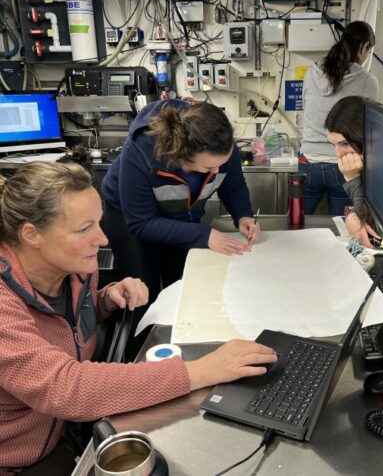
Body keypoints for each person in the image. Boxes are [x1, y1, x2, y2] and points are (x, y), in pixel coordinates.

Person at [0, 162, 276, 475]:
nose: (103, 239)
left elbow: (62, 328)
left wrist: (106, 299)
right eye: (83, 229)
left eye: (99, 223)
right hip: (18, 461)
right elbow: (66, 388)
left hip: (64, 435)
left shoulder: (74, 269)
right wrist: (203, 370)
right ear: (31, 234)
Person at [101, 99, 260, 347]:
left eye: (223, 162)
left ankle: (182, 342)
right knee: (145, 291)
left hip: (181, 213)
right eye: (209, 166)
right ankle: (143, 354)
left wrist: (244, 215)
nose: (218, 169)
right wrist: (204, 235)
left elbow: (233, 184)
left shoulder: (220, 148)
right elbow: (142, 223)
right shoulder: (142, 151)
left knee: (183, 281)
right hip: (129, 217)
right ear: (183, 155)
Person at [299, 21, 379, 216]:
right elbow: (369, 126)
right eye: (368, 52)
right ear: (365, 47)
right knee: (342, 229)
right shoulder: (368, 81)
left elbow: (305, 109)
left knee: (296, 223)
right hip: (345, 164)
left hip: (307, 162)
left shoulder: (311, 73)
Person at [324, 96, 381, 248]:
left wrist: (352, 178)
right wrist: (352, 216)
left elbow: (373, 228)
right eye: (333, 145)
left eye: (345, 144)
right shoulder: (367, 162)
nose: (338, 153)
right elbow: (363, 213)